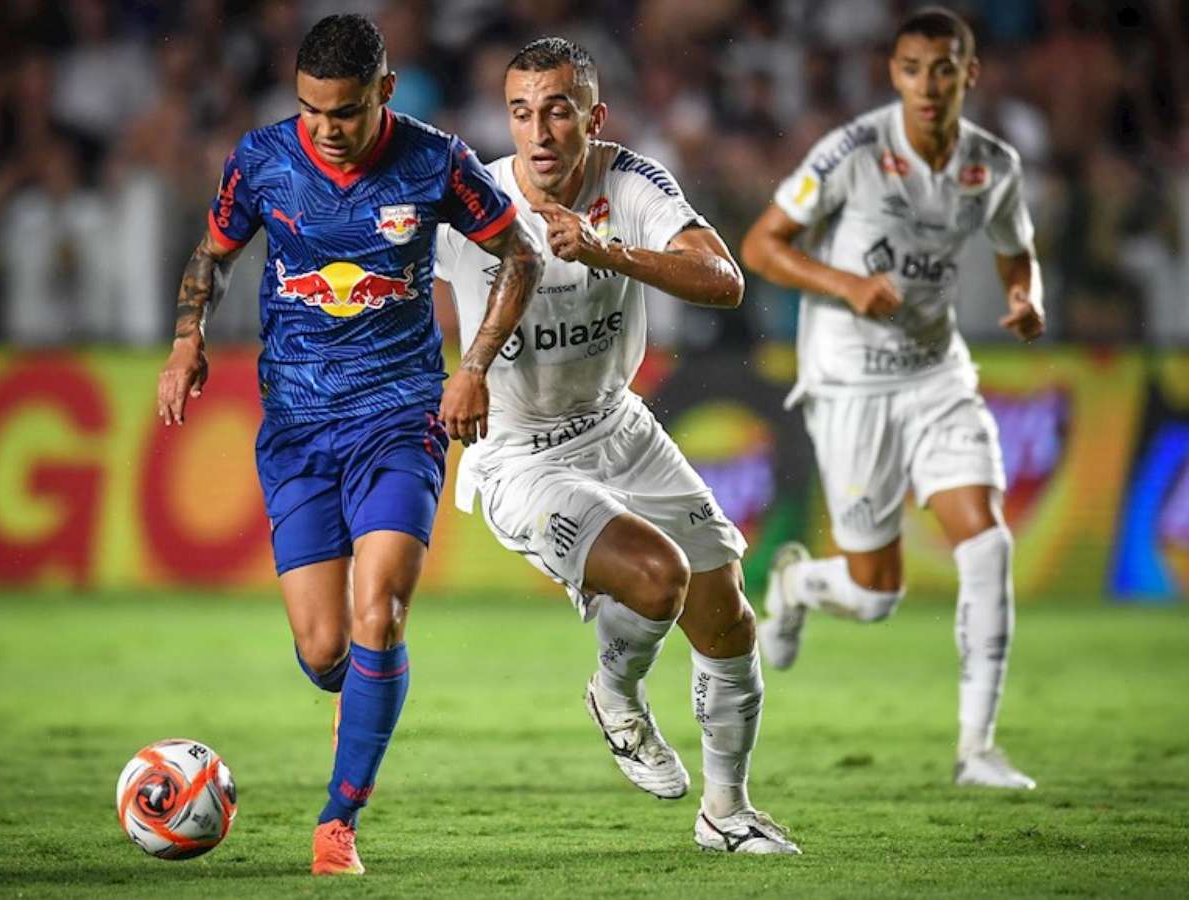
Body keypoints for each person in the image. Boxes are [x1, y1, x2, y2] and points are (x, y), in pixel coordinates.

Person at [156, 14, 542, 875]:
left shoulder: (435, 161)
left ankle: (339, 823)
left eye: (346, 112)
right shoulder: (262, 159)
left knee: (383, 612)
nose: (327, 130)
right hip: (296, 428)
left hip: (401, 419)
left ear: (384, 93)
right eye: (312, 111)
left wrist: (474, 366)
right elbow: (213, 253)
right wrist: (187, 340)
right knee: (327, 650)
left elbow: (519, 257)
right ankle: (365, 685)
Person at [434, 37, 798, 854]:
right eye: (522, 112)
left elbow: (725, 280)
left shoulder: (631, 182)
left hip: (618, 425)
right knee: (658, 577)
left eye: (559, 111)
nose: (540, 132)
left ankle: (727, 814)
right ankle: (614, 692)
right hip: (520, 453)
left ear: (593, 119)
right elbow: (393, 283)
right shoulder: (475, 199)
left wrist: (606, 249)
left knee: (727, 615)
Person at [741, 6, 1043, 790]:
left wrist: (1025, 297)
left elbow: (1016, 251)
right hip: (851, 382)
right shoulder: (853, 151)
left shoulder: (993, 164)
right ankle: (799, 585)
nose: (928, 86)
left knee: (988, 545)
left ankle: (978, 750)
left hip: (938, 374)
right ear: (894, 75)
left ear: (969, 74)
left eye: (944, 69)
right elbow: (760, 245)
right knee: (875, 596)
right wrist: (845, 283)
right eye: (913, 70)